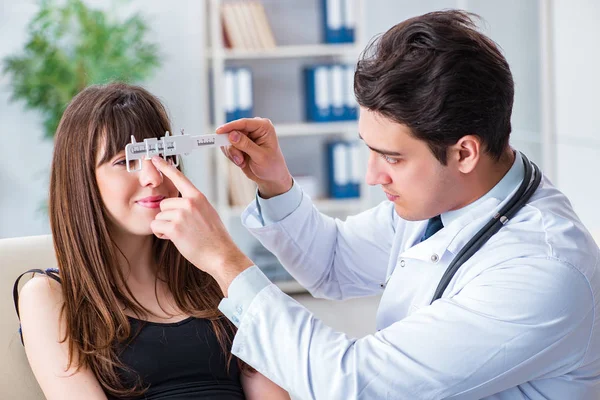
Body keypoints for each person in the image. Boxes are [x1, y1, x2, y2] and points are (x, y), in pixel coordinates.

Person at [147, 10, 600, 400]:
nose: (372, 175)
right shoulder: (447, 201)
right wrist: (276, 185)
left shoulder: (542, 271)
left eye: (392, 158)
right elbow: (334, 263)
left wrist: (222, 260)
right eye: (369, 149)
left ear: (464, 152)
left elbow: (354, 384)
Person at [15, 83, 290, 400]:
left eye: (163, 155)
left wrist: (225, 262)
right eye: (126, 160)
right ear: (82, 180)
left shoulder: (217, 276)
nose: (153, 177)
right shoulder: (49, 296)